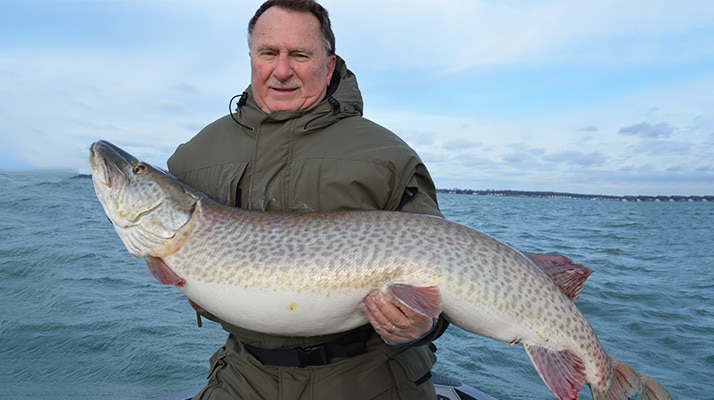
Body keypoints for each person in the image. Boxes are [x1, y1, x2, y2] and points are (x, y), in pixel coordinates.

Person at [168, 1, 447, 398]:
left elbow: (446, 277)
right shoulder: (194, 157)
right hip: (245, 374)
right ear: (252, 57)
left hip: (369, 378)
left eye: (299, 55)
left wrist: (423, 324)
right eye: (269, 53)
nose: (282, 71)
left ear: (329, 65)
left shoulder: (388, 156)